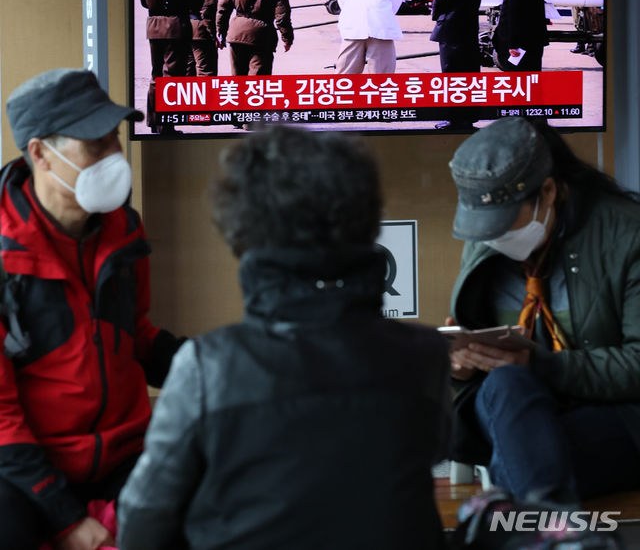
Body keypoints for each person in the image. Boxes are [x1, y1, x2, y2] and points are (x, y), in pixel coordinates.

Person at [118, 126, 451, 550]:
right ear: (367, 219)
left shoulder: (208, 366)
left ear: (240, 230)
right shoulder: (426, 356)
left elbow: (144, 519)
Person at [0, 68, 185, 550]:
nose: (115, 157)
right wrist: (65, 519)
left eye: (115, 139)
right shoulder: (4, 254)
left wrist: (220, 363)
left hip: (123, 453)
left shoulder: (125, 227)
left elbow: (137, 336)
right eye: (95, 143)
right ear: (40, 153)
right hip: (24, 466)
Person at [445, 117, 640, 504]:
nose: (493, 237)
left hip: (613, 417)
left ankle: (534, 522)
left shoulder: (626, 234)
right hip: (512, 409)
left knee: (522, 459)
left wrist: (541, 365)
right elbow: (487, 381)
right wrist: (464, 367)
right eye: (483, 227)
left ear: (548, 191)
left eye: (502, 223)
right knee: (506, 385)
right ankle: (557, 536)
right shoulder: (487, 245)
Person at [139, 0, 203, 134]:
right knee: (172, 77)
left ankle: (153, 121)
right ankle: (166, 125)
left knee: (156, 75)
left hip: (153, 27)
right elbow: (196, 4)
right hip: (176, 29)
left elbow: (143, 1)